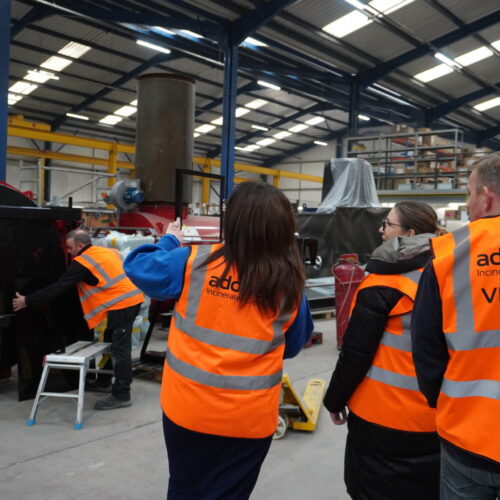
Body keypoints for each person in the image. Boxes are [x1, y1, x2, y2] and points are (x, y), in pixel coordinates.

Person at [124, 182, 313, 499]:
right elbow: (293, 347)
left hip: (188, 409)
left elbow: (136, 265)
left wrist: (171, 239)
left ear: (235, 223)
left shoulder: (194, 262)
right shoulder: (290, 285)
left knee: (184, 488)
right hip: (249, 420)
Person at [323, 201, 446, 500]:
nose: (381, 231)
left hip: (381, 420)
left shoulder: (383, 282)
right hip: (436, 418)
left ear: (410, 233)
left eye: (387, 225)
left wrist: (334, 400)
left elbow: (355, 353)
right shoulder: (449, 273)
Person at [412, 153, 500, 499]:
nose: (467, 202)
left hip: (467, 434)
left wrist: (447, 402)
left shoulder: (447, 255)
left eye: (468, 192)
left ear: (486, 196)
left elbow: (426, 350)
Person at [12, 229, 143, 410]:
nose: (67, 251)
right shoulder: (105, 251)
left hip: (122, 304)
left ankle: (122, 394)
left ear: (80, 246)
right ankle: (104, 380)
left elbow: (60, 286)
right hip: (130, 300)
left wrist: (28, 300)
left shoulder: (83, 262)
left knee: (121, 349)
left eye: (69, 247)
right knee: (109, 340)